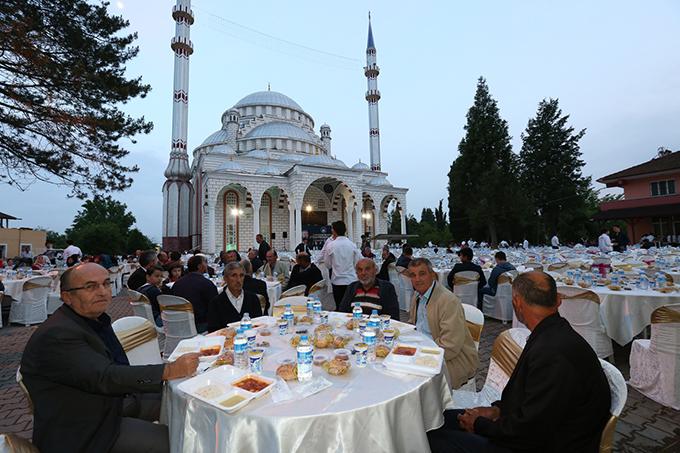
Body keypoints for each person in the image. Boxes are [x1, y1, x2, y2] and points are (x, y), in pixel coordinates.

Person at [20, 263, 199, 453]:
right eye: (90, 287)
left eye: (105, 284)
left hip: (110, 403)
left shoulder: (93, 320)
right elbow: (105, 376)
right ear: (67, 296)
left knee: (183, 401)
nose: (102, 292)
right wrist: (168, 370)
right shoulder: (58, 334)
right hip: (85, 428)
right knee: (178, 441)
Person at [427, 272, 611, 453]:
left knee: (427, 437)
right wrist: (497, 411)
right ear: (558, 301)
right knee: (431, 419)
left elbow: (528, 432)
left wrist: (480, 425)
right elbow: (533, 402)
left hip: (547, 444)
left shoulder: (552, 354)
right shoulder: (554, 333)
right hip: (535, 429)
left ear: (516, 303)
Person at [408, 258, 479, 389]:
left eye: (422, 273)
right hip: (424, 350)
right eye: (413, 275)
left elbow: (450, 346)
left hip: (451, 360)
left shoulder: (448, 301)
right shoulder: (417, 296)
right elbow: (414, 325)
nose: (417, 279)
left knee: (411, 382)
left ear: (432, 275)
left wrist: (419, 357)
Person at [208, 262, 262, 331]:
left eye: (241, 275)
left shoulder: (253, 299)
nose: (238, 280)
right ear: (225, 278)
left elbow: (259, 325)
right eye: (234, 275)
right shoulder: (216, 303)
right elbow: (213, 331)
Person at [171, 255, 218, 332]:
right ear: (200, 266)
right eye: (205, 263)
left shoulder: (177, 284)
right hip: (200, 325)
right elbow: (215, 307)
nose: (207, 265)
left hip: (179, 324)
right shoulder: (207, 284)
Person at [325, 221, 362, 310]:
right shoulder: (352, 245)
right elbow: (358, 262)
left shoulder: (331, 245)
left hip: (337, 281)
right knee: (352, 307)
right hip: (351, 280)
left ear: (334, 231)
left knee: (339, 306)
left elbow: (328, 264)